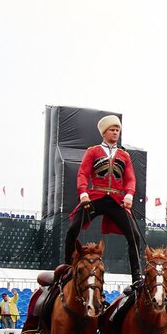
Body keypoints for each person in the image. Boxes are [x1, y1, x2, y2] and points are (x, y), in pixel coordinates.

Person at [63, 115, 143, 288]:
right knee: (72, 229)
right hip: (95, 198)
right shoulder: (93, 151)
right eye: (112, 130)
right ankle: (67, 268)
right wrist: (83, 193)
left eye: (117, 130)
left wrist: (129, 194)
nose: (115, 133)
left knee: (134, 236)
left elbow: (130, 178)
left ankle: (136, 276)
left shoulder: (124, 156)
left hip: (115, 199)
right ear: (104, 133)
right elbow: (83, 173)